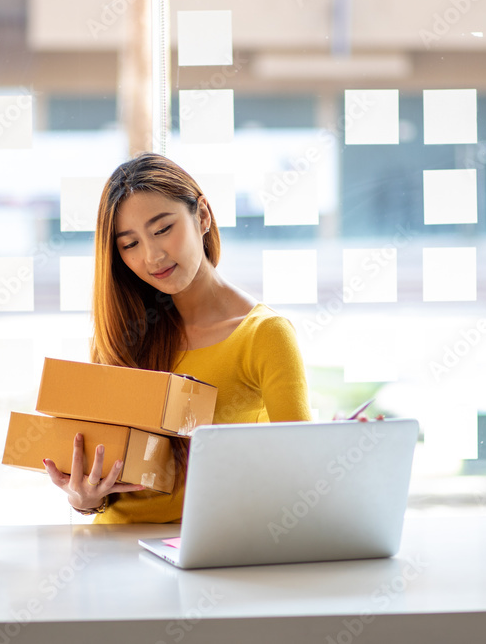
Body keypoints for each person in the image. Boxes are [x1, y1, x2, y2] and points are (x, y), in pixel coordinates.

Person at [43, 152, 312, 523]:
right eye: (130, 244)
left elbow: (302, 474)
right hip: (112, 549)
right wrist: (85, 498)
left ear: (202, 215)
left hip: (208, 546)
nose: (152, 256)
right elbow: (101, 478)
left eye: (162, 229)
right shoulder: (124, 333)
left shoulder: (264, 335)